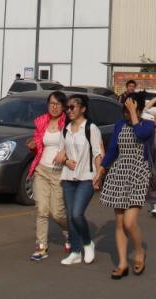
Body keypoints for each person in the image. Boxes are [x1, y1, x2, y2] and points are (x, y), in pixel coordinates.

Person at [95, 93, 155, 279]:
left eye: (131, 110)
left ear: (139, 109)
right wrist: (101, 170)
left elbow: (140, 134)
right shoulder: (120, 125)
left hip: (139, 173)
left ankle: (139, 251)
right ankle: (122, 263)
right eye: (126, 111)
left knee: (129, 222)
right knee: (120, 223)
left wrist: (134, 113)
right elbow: (113, 150)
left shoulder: (148, 125)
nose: (127, 114)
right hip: (119, 172)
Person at [59, 94, 104, 265]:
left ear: (83, 109)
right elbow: (62, 152)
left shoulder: (91, 128)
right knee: (71, 217)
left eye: (72, 107)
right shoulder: (66, 129)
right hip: (68, 177)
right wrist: (66, 161)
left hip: (86, 177)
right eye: (67, 108)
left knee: (77, 214)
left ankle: (87, 243)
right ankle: (76, 252)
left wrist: (98, 175)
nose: (69, 110)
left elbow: (97, 153)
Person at [27, 91, 70, 261]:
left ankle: (69, 232)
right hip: (42, 170)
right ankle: (41, 247)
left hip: (59, 172)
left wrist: (64, 152)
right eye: (51, 103)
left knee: (57, 213)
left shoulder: (67, 123)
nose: (54, 107)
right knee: (41, 210)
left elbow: (74, 142)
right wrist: (32, 145)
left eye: (58, 104)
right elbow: (38, 142)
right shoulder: (41, 121)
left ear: (63, 106)